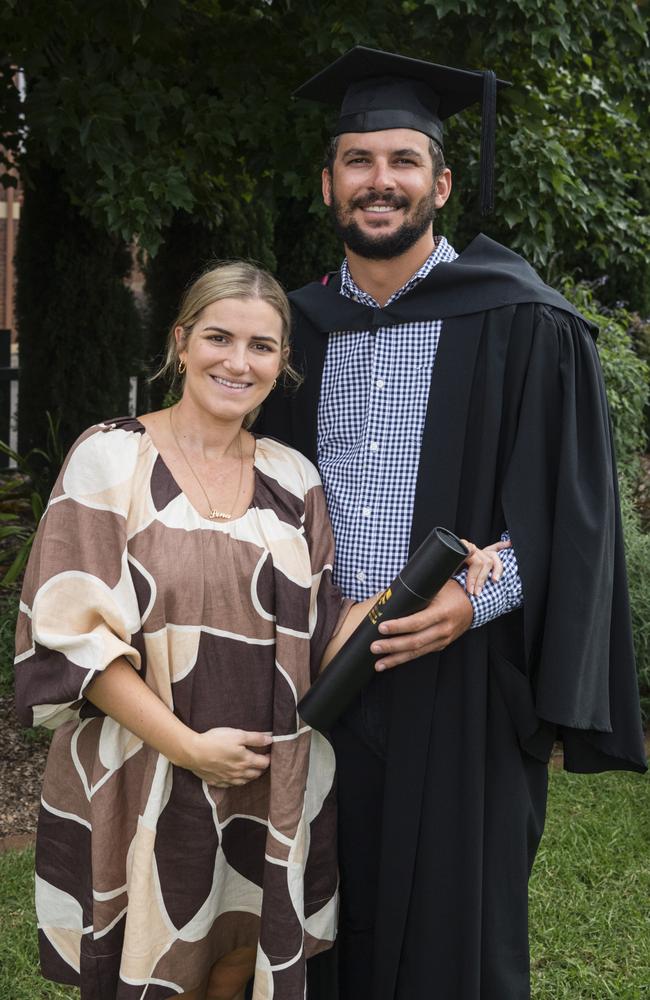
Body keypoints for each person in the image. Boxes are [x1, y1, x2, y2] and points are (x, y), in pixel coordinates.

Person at [256, 46, 648, 1000]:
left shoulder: (522, 321)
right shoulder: (285, 332)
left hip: (462, 676)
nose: (378, 181)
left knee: (452, 937)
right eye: (358, 160)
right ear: (327, 184)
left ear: (439, 181)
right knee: (311, 919)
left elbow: (574, 511)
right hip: (310, 666)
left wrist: (480, 595)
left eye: (401, 160)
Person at [14, 260, 500, 1000]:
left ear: (283, 362)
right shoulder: (109, 458)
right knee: (152, 969)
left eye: (263, 346)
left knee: (236, 968)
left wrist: (445, 576)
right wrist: (189, 749)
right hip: (146, 773)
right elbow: (74, 638)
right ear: (181, 343)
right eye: (219, 337)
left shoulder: (293, 478)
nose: (238, 362)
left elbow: (326, 633)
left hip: (264, 781)